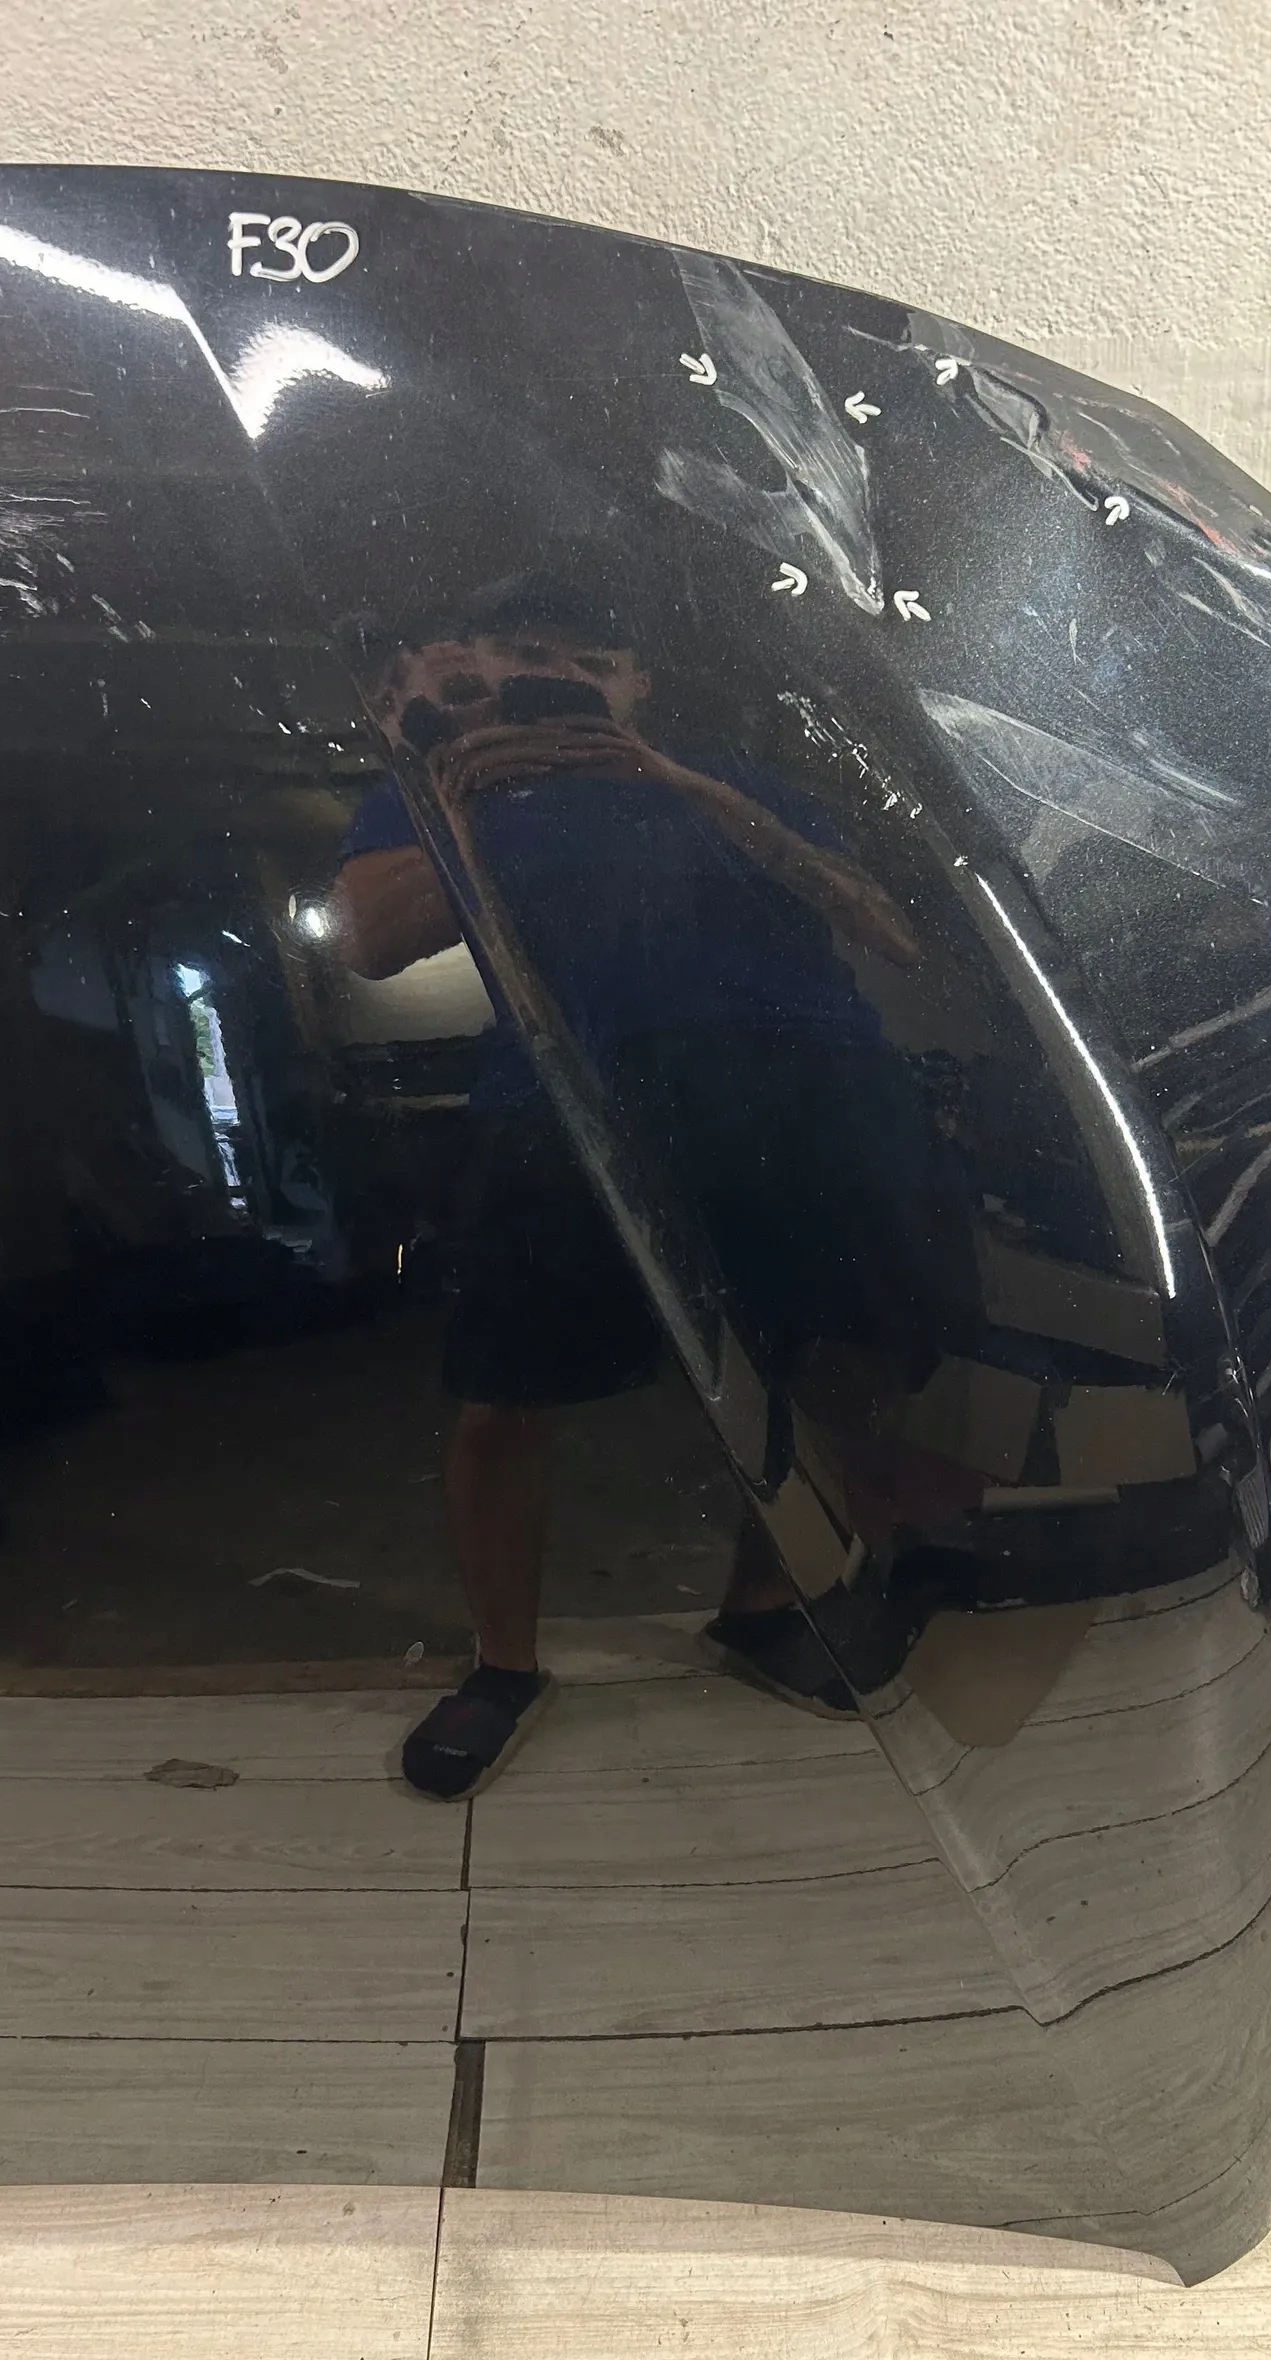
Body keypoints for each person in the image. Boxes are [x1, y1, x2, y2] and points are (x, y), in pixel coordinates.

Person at [332, 566, 976, 1798]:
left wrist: (680, 785)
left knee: (839, 1362)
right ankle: (503, 1666)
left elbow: (887, 926)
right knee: (504, 1394)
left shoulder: (739, 781)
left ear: (635, 683)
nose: (556, 678)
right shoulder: (441, 788)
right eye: (526, 653)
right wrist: (463, 807)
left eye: (586, 662)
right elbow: (369, 941)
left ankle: (761, 1608)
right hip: (567, 1103)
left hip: (806, 1092)